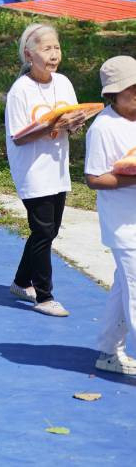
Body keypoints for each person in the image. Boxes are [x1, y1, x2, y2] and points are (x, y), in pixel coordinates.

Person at [4, 23, 78, 316]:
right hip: (33, 170)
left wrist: (74, 123)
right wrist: (52, 125)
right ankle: (44, 296)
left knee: (48, 230)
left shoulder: (64, 83)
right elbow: (19, 136)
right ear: (28, 54)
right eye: (46, 49)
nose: (54, 54)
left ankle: (22, 281)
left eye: (56, 47)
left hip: (57, 168)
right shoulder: (20, 90)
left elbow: (70, 119)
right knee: (43, 230)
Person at [84, 55, 136, 376]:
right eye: (132, 90)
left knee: (122, 288)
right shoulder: (103, 128)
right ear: (113, 95)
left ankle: (107, 351)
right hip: (124, 226)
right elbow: (94, 178)